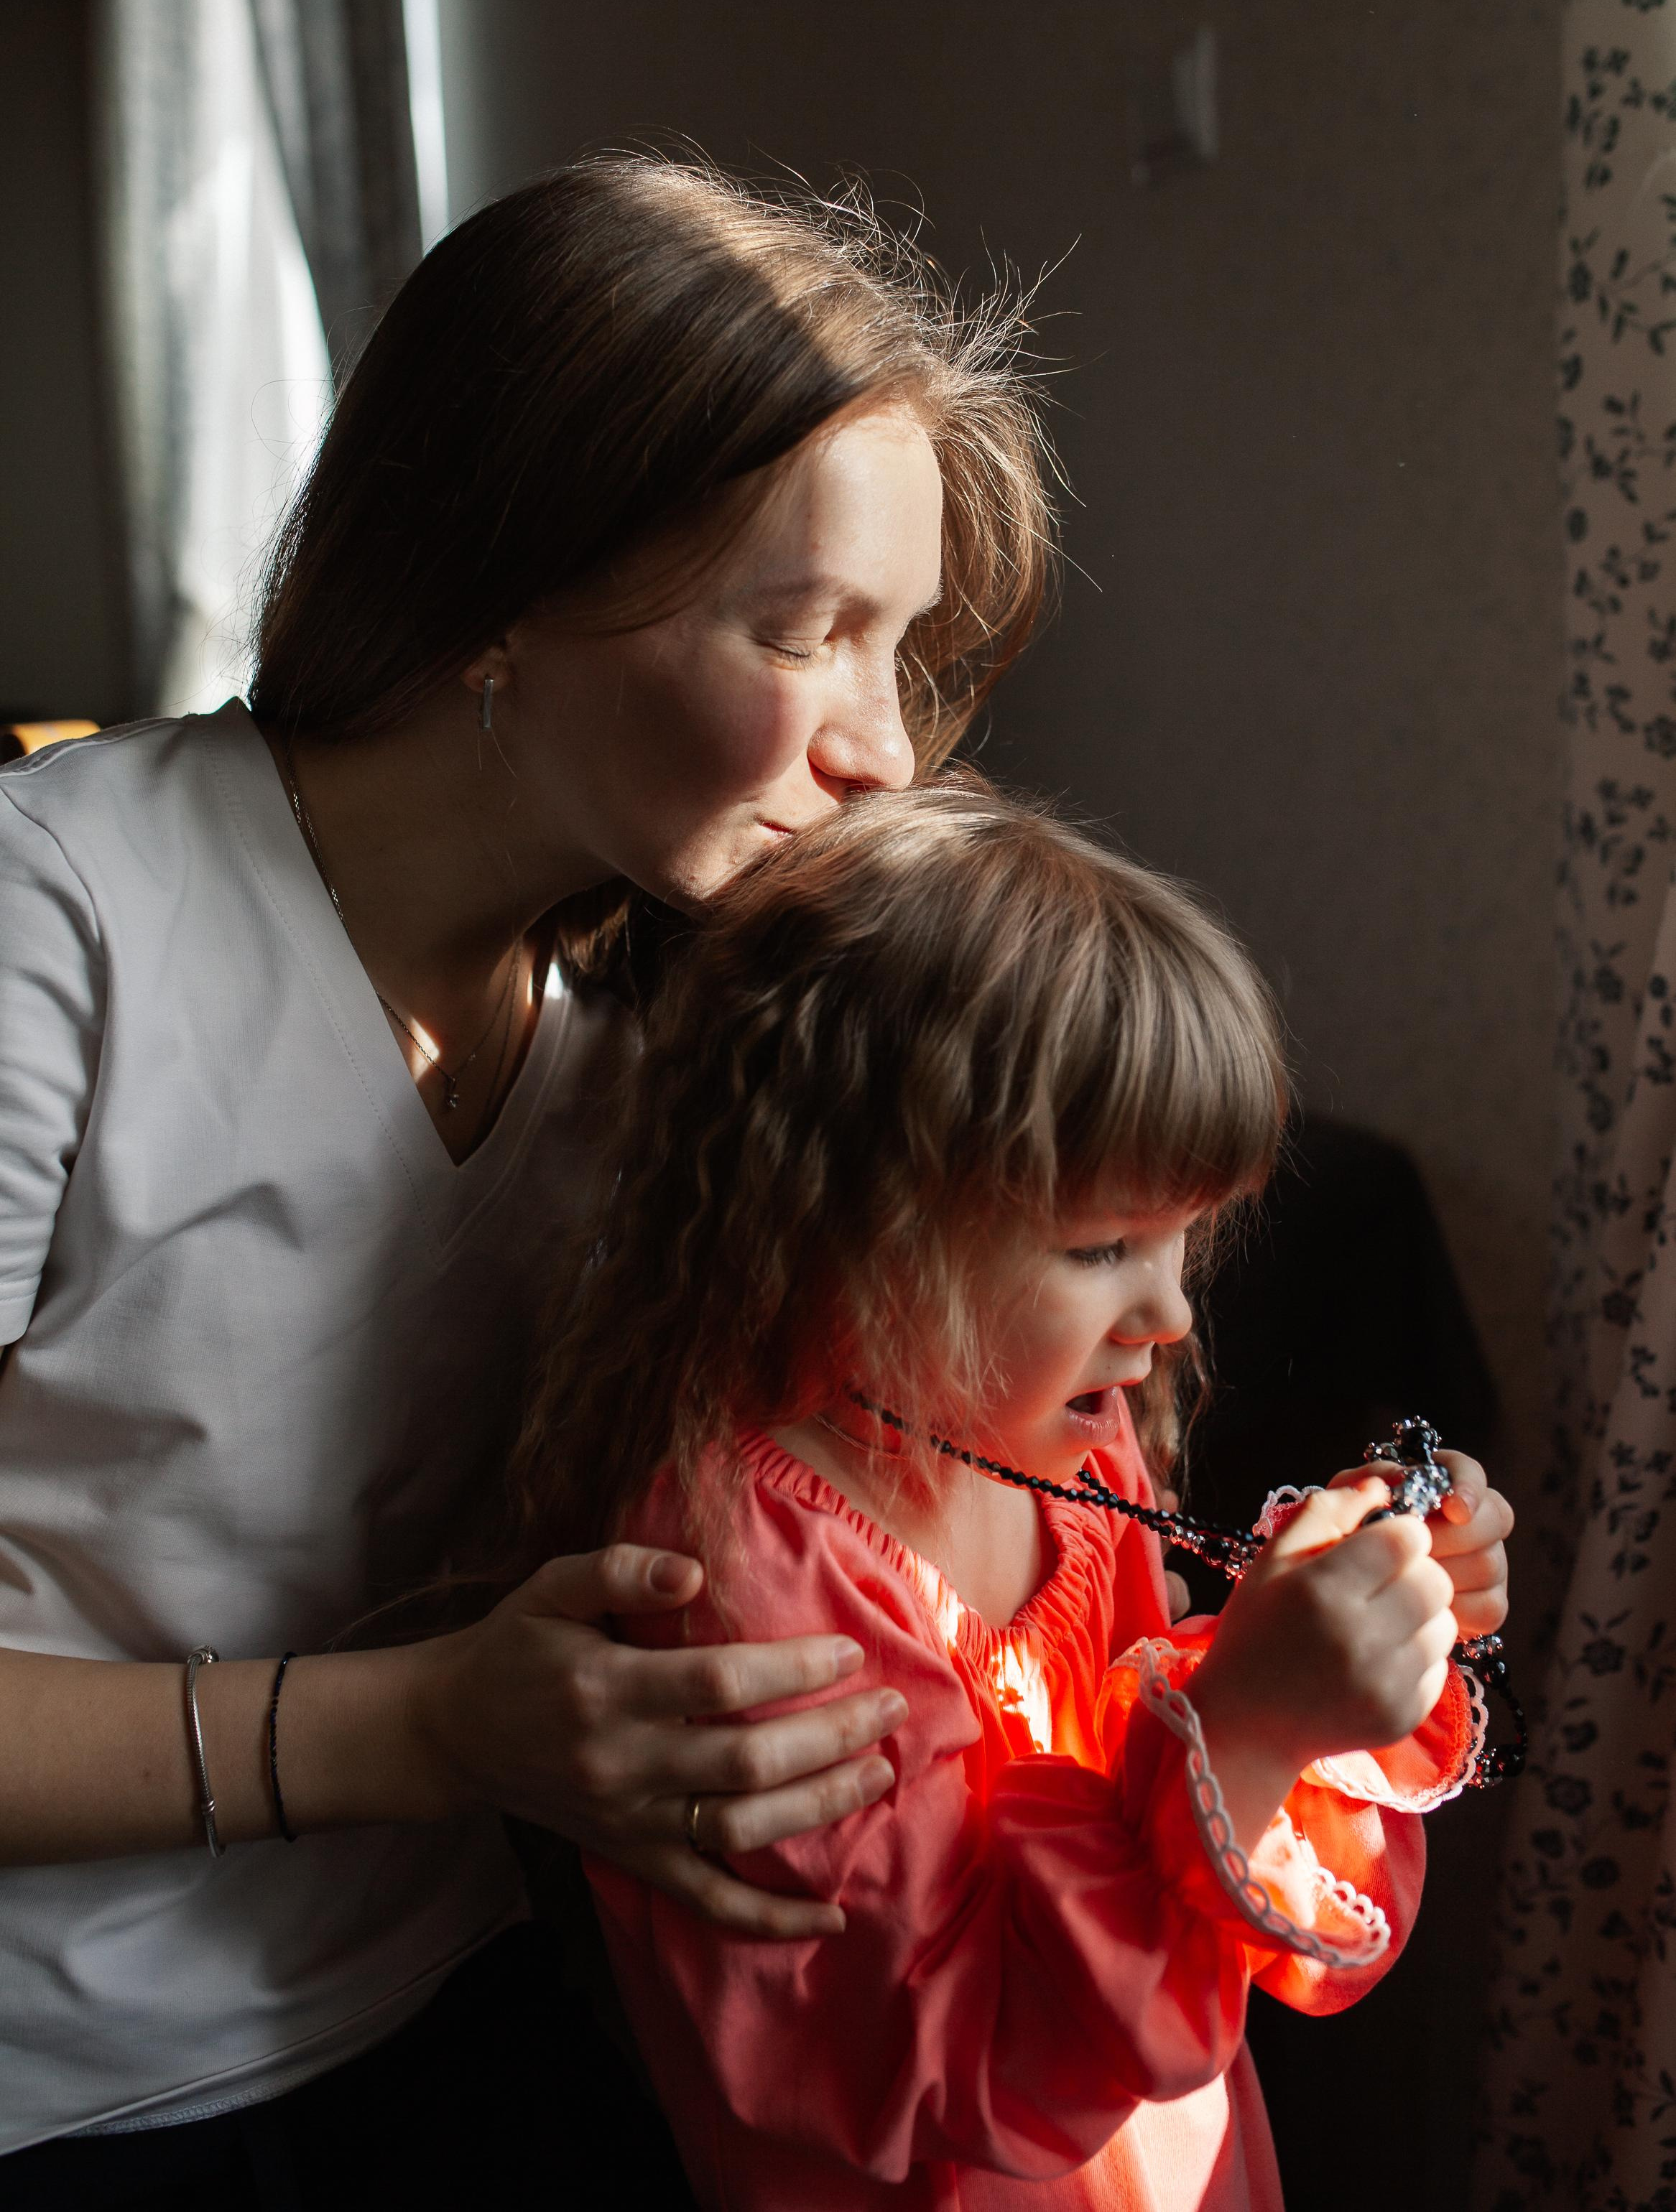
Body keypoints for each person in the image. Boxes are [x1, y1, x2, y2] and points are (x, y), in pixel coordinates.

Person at [0, 154, 1054, 2201]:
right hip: (73, 2073)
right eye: (804, 630)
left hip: (451, 1991)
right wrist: (434, 1734)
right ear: (508, 576)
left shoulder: (647, 1007)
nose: (879, 751)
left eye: (896, 649)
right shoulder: (65, 925)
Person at [514, 780, 1517, 2212]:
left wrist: (1323, 1648)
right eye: (1105, 1245)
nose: (1170, 1311)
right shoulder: (744, 1577)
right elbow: (940, 2058)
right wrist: (1246, 1723)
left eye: (1185, 1238)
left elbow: (1171, 1835)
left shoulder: (1075, 1468)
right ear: (857, 1222)